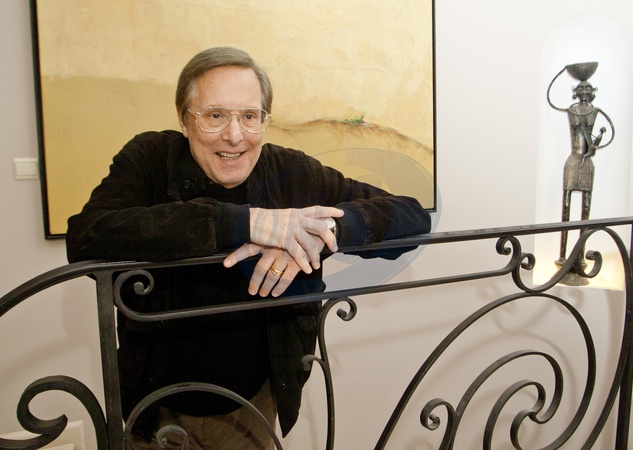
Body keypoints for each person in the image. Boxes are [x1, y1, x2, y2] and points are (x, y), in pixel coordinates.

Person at [66, 47, 431, 449]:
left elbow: (412, 217)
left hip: (253, 408)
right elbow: (86, 237)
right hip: (155, 408)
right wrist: (246, 223)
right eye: (215, 116)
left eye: (249, 116)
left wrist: (320, 232)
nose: (235, 135)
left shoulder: (291, 173)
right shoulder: (150, 159)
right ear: (184, 120)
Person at [547, 74, 614, 268]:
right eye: (581, 89)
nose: (584, 92)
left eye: (588, 89)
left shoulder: (596, 111)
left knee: (585, 209)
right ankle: (562, 256)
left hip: (586, 163)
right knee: (566, 207)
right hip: (573, 160)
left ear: (592, 92)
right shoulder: (572, 110)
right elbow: (551, 99)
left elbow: (606, 135)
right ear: (576, 92)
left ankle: (581, 257)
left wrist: (595, 145)